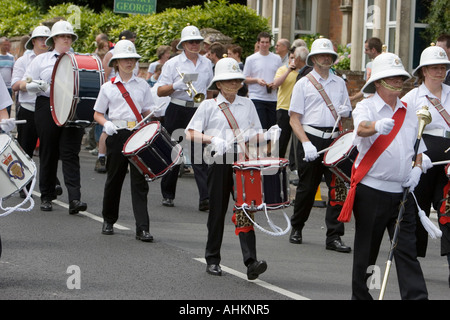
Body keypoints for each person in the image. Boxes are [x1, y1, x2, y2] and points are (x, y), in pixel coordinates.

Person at [338, 52, 428, 300]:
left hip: (403, 191)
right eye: (393, 78)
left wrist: (418, 169)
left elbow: (418, 148)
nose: (398, 82)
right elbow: (361, 128)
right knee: (368, 251)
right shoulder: (366, 106)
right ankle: (363, 297)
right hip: (372, 192)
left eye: (400, 78)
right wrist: (377, 126)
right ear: (378, 82)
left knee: (407, 250)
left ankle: (417, 298)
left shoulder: (409, 111)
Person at [186, 57, 280, 279]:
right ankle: (212, 259)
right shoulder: (209, 105)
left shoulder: (247, 104)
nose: (233, 84)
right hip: (218, 159)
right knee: (217, 210)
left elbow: (254, 133)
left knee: (246, 209)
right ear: (218, 84)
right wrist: (212, 139)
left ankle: (251, 261)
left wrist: (268, 134)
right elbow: (190, 132)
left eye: (236, 80)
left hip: (242, 159)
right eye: (228, 81)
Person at [288, 37, 352, 252]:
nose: (326, 58)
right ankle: (297, 227)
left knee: (338, 189)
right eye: (322, 55)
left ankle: (334, 235)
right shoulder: (303, 84)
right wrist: (305, 143)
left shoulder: (340, 83)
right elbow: (294, 118)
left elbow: (346, 114)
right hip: (311, 138)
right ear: (313, 59)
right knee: (307, 188)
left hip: (335, 139)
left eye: (330, 56)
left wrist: (346, 114)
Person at [93, 40, 155, 241]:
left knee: (140, 182)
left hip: (138, 133)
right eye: (125, 59)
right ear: (116, 63)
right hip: (117, 132)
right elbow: (98, 113)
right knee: (114, 178)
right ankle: (108, 220)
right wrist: (106, 123)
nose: (129, 62)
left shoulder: (143, 85)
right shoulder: (108, 87)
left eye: (132, 59)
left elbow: (147, 110)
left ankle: (142, 228)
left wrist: (155, 114)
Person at [23, 20, 87, 214]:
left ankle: (75, 199)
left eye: (69, 36)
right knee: (48, 151)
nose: (66, 39)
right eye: (62, 36)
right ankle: (46, 196)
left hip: (71, 106)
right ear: (54, 39)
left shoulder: (79, 59)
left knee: (70, 153)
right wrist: (34, 85)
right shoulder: (41, 60)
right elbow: (25, 82)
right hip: (47, 104)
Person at [401, 44, 450, 284]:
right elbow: (404, 131)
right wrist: (417, 158)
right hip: (423, 161)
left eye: (443, 67)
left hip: (448, 162)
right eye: (434, 68)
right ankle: (411, 263)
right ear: (424, 71)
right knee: (416, 210)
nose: (439, 72)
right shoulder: (411, 97)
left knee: (448, 211)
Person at [157, 24, 213, 210]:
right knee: (174, 152)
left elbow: (209, 90)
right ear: (183, 44)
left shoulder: (207, 63)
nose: (195, 44)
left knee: (199, 155)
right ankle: (168, 193)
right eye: (191, 42)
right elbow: (160, 91)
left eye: (197, 41)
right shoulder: (173, 64)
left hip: (198, 110)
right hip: (178, 108)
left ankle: (205, 197)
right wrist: (177, 85)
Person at [12, 25, 51, 197]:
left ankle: (49, 185)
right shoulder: (23, 60)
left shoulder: (54, 60)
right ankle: (23, 184)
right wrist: (29, 86)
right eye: (40, 39)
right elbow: (14, 86)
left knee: (48, 150)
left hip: (49, 109)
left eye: (46, 39)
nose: (44, 42)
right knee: (25, 149)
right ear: (33, 41)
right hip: (28, 108)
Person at [96, 30, 139, 173]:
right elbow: (105, 75)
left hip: (131, 92)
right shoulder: (110, 55)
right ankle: (101, 156)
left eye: (132, 41)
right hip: (115, 91)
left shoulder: (141, 81)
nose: (129, 61)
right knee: (107, 127)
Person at [273, 46, 309, 158]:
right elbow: (275, 84)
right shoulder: (283, 70)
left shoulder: (304, 73)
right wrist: (289, 70)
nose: (292, 60)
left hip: (299, 111)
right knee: (282, 140)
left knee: (297, 141)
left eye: (294, 58)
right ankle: (278, 163)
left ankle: (293, 165)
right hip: (284, 108)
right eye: (291, 58)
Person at [243, 31, 282, 130]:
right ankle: (259, 145)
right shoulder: (251, 59)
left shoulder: (276, 59)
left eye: (267, 42)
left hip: (272, 97)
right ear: (258, 43)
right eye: (262, 42)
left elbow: (280, 75)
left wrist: (275, 84)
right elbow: (244, 78)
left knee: (272, 127)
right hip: (257, 97)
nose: (264, 45)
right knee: (260, 126)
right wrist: (257, 80)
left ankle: (269, 146)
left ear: (270, 44)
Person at [350, 37, 383, 102]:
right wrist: (353, 98)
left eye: (366, 49)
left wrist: (376, 96)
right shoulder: (369, 65)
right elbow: (366, 87)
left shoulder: (384, 65)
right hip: (367, 101)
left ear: (373, 50)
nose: (365, 52)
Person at [0, 37, 15, 115]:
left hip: (8, 86)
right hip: (1, 86)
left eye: (8, 45)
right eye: (4, 45)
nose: (7, 47)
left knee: (8, 106)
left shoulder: (11, 57)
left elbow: (13, 71)